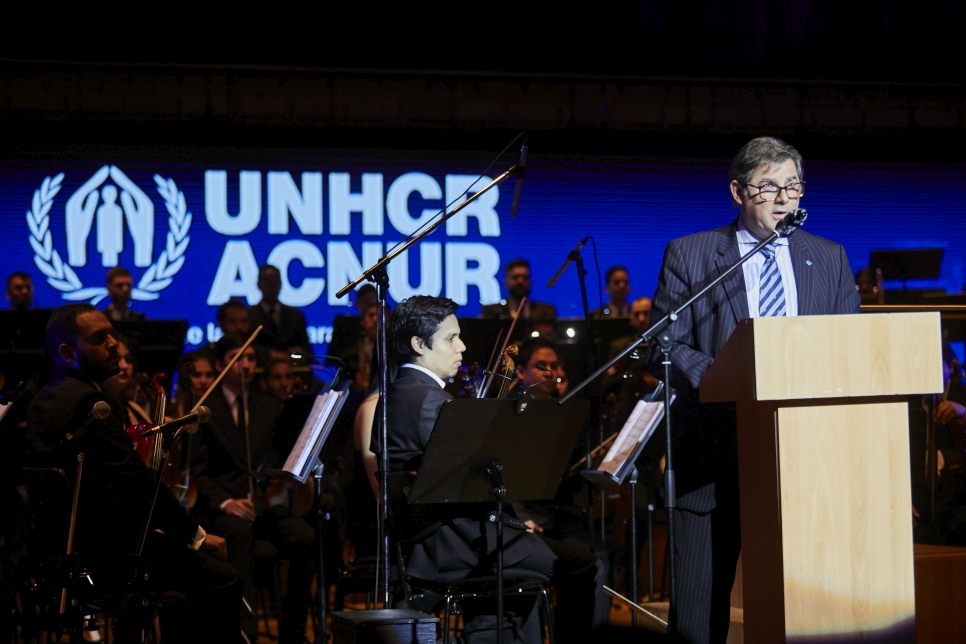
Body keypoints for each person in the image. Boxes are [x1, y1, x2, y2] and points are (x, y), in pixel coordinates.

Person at [646, 136, 860, 643]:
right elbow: (663, 343)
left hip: (806, 459)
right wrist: (729, 377)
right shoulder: (693, 253)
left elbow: (850, 345)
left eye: (794, 186)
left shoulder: (827, 257)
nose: (786, 197)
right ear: (738, 192)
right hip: (713, 453)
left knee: (805, 606)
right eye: (770, 186)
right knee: (701, 611)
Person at [378, 295, 605, 643]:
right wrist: (516, 518)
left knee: (528, 578)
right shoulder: (432, 403)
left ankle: (491, 628)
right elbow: (471, 481)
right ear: (418, 344)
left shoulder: (392, 396)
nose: (462, 347)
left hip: (431, 539)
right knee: (585, 564)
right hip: (457, 544)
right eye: (451, 338)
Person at [24, 304, 241, 642]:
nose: (113, 344)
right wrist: (195, 535)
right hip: (105, 553)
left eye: (111, 333)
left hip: (57, 546)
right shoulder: (90, 405)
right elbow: (138, 485)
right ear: (67, 352)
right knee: (223, 577)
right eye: (99, 339)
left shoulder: (46, 397)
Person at [190, 333, 314, 644]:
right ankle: (247, 631)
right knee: (239, 531)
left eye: (250, 358)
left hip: (261, 506)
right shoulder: (205, 408)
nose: (246, 364)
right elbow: (198, 473)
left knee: (304, 535)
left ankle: (293, 630)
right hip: (222, 510)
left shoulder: (269, 407)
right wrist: (226, 502)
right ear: (221, 364)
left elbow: (276, 459)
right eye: (238, 357)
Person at [248, 265, 310, 354]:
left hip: (292, 367)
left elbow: (307, 350)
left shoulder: (295, 316)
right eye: (267, 282)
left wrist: (299, 353)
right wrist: (270, 354)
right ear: (258, 285)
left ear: (281, 284)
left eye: (275, 281)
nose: (272, 286)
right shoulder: (249, 316)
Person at [481, 258, 557, 322]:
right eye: (515, 277)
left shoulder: (545, 311)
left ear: (530, 282)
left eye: (525, 277)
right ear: (506, 283)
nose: (520, 281)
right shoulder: (491, 311)